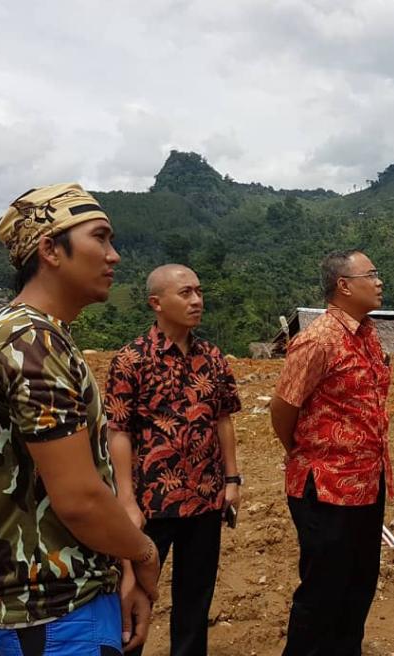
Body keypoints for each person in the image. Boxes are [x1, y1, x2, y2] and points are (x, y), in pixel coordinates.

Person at [0, 183, 160, 655]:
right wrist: (144, 553)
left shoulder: (38, 335)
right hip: (54, 609)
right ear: (51, 249)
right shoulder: (31, 342)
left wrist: (122, 570)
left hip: (70, 598)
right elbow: (80, 499)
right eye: (101, 238)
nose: (113, 256)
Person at [105, 264, 242, 656]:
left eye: (198, 291)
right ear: (156, 303)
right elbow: (119, 432)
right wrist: (126, 501)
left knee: (195, 602)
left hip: (204, 498)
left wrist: (232, 481)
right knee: (136, 596)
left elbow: (222, 419)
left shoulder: (212, 358)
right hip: (152, 504)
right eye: (185, 293)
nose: (197, 300)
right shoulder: (131, 360)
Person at [269, 250, 393, 656]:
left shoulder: (368, 334)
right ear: (344, 285)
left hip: (368, 483)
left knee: (359, 587)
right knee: (322, 592)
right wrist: (302, 453)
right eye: (371, 275)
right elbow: (283, 407)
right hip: (325, 487)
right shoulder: (318, 339)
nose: (379, 282)